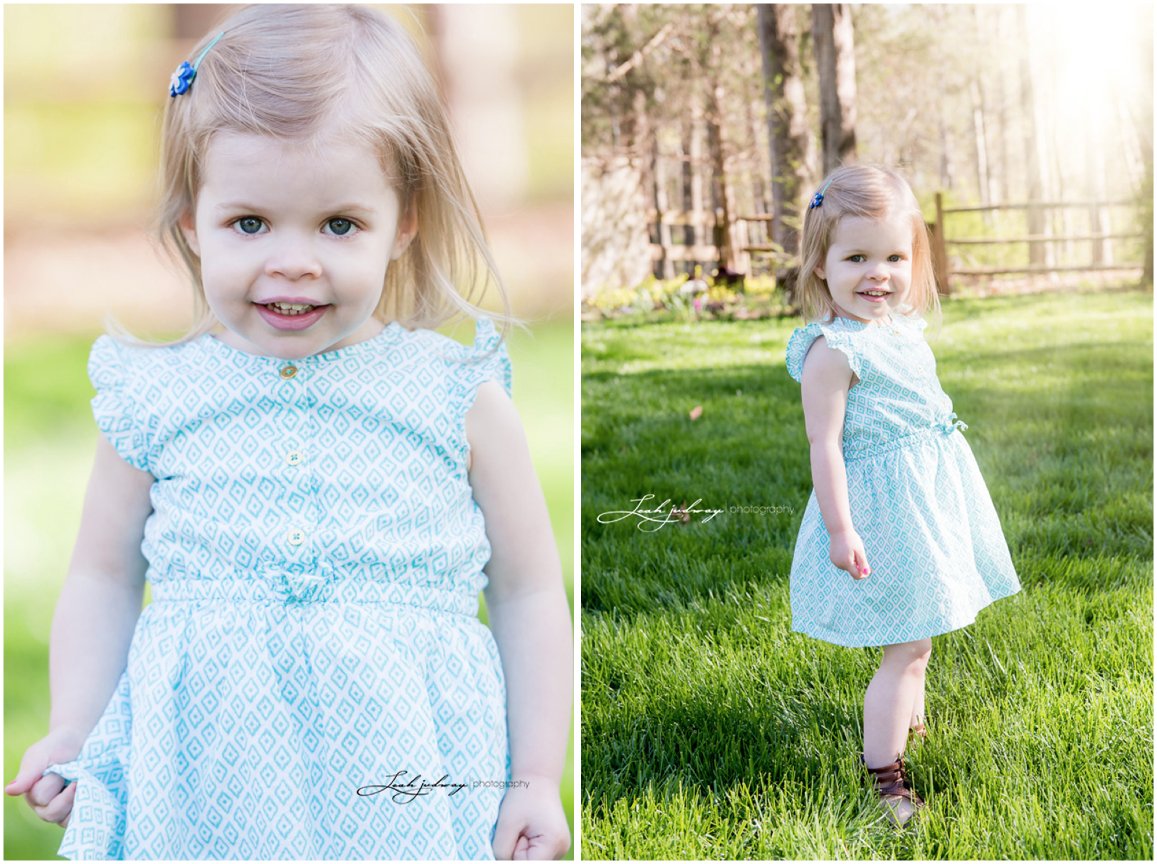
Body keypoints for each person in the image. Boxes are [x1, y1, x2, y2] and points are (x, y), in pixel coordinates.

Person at [4, 6, 571, 860]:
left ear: (402, 221)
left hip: (408, 771)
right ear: (193, 221)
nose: (293, 260)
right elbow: (102, 574)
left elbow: (528, 591)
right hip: (201, 777)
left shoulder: (454, 395)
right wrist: (74, 728)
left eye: (339, 225)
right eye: (250, 223)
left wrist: (533, 777)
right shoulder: (155, 396)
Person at [784, 164, 1020, 827]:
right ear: (820, 265)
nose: (877, 273)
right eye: (856, 257)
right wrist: (840, 529)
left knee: (926, 630)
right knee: (905, 643)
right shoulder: (832, 351)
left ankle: (908, 720)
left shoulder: (899, 327)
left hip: (928, 501)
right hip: (884, 512)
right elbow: (823, 444)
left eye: (892, 255)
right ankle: (885, 778)